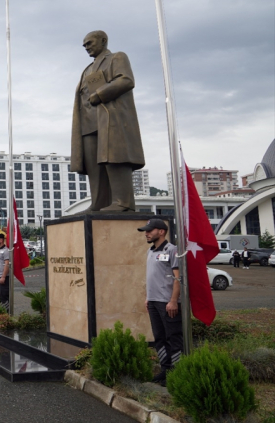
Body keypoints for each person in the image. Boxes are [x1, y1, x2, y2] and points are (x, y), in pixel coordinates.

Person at [71, 30, 145, 212]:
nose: (86, 47)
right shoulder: (87, 69)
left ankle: (122, 202)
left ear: (103, 41)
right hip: (88, 123)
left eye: (89, 43)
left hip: (109, 118)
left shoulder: (117, 58)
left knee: (114, 158)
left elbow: (126, 80)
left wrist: (100, 94)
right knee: (94, 164)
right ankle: (98, 202)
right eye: (84, 45)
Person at [138, 219, 180, 387]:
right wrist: (148, 297)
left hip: (167, 303)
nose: (146, 233)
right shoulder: (150, 251)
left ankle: (177, 372)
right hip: (154, 302)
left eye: (150, 230)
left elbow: (178, 278)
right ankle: (165, 370)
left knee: (173, 337)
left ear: (161, 232)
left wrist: (173, 301)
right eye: (146, 231)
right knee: (159, 337)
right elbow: (153, 277)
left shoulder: (172, 250)